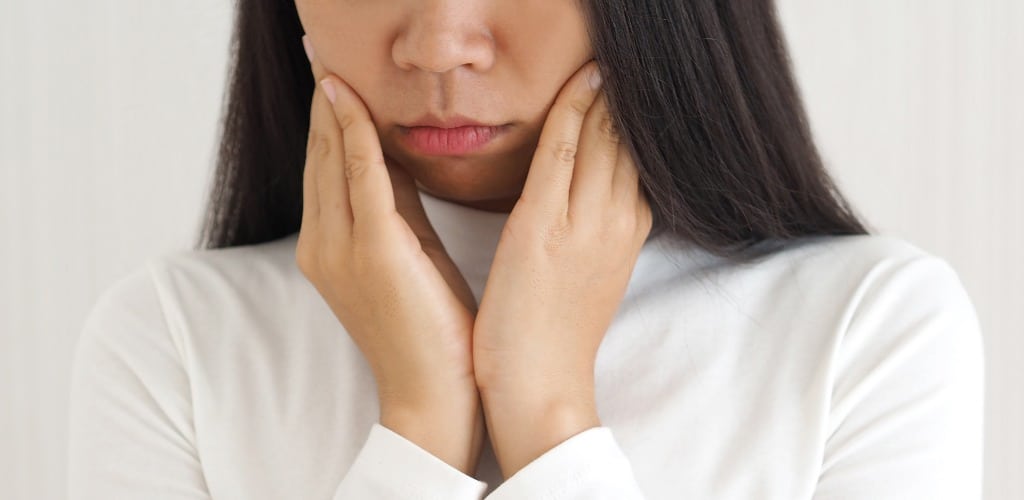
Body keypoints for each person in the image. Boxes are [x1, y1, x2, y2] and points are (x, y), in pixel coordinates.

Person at [67, 0, 985, 498]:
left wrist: (547, 412)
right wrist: (421, 426)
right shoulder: (175, 340)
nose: (439, 44)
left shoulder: (868, 331)